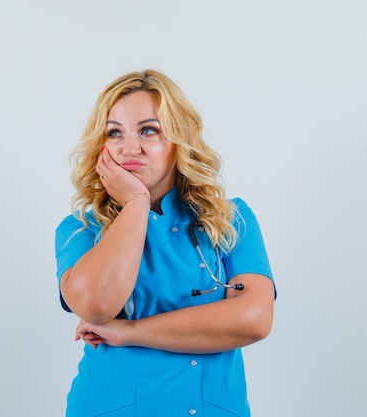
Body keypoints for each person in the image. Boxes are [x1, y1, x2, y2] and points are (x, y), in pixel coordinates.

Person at [54, 69, 275, 417]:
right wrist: (135, 203)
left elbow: (253, 319)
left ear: (179, 140)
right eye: (114, 132)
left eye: (148, 130)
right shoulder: (80, 228)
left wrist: (129, 332)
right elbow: (96, 306)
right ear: (101, 147)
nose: (130, 148)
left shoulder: (229, 219)